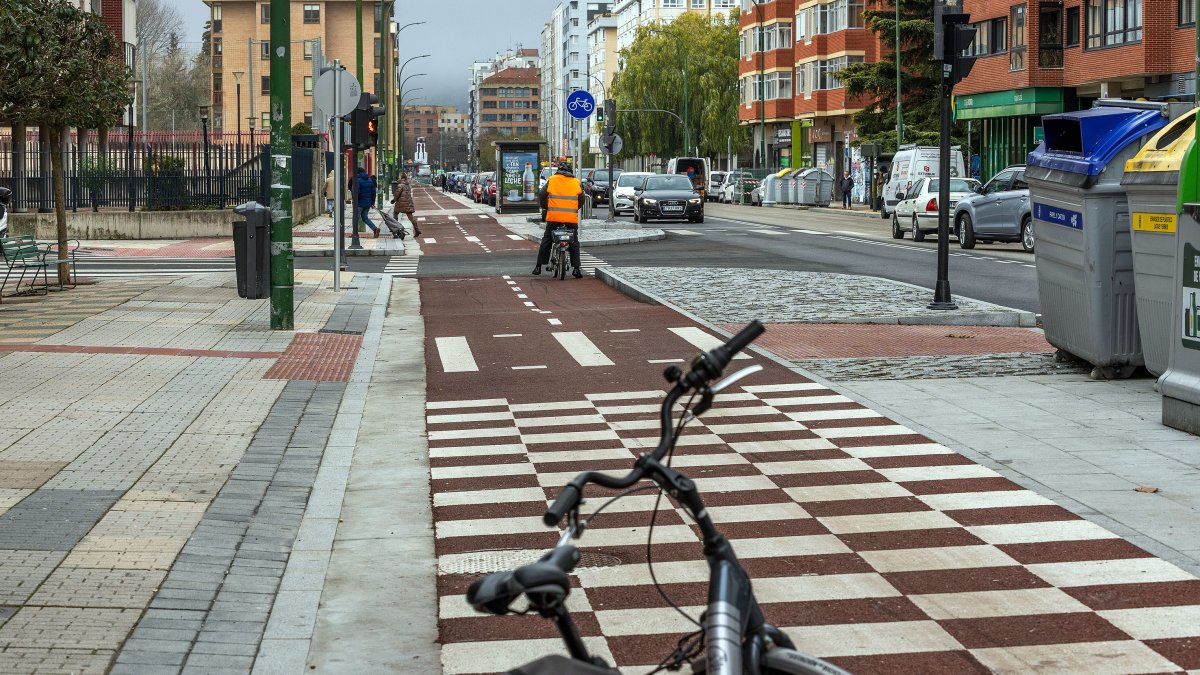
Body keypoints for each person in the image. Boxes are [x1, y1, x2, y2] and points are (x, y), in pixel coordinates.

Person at [533, 159, 584, 278]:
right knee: (574, 242)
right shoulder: (576, 182)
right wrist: (574, 208)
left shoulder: (552, 180)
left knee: (547, 239)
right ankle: (576, 269)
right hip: (570, 218)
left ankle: (538, 266)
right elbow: (581, 199)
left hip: (554, 217)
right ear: (571, 172)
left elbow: (541, 195)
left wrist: (546, 206)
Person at [392, 172, 421, 238]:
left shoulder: (400, 185)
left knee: (395, 214)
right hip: (408, 202)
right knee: (410, 217)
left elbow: (397, 194)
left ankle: (396, 230)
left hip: (400, 203)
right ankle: (417, 229)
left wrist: (393, 200)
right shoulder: (407, 184)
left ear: (400, 177)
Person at [354, 167, 380, 238]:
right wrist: (372, 203)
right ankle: (375, 229)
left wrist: (355, 199)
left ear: (358, 173)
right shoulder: (370, 180)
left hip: (360, 203)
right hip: (368, 203)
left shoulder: (358, 180)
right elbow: (373, 193)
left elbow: (357, 192)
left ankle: (355, 234)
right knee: (365, 218)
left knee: (355, 218)